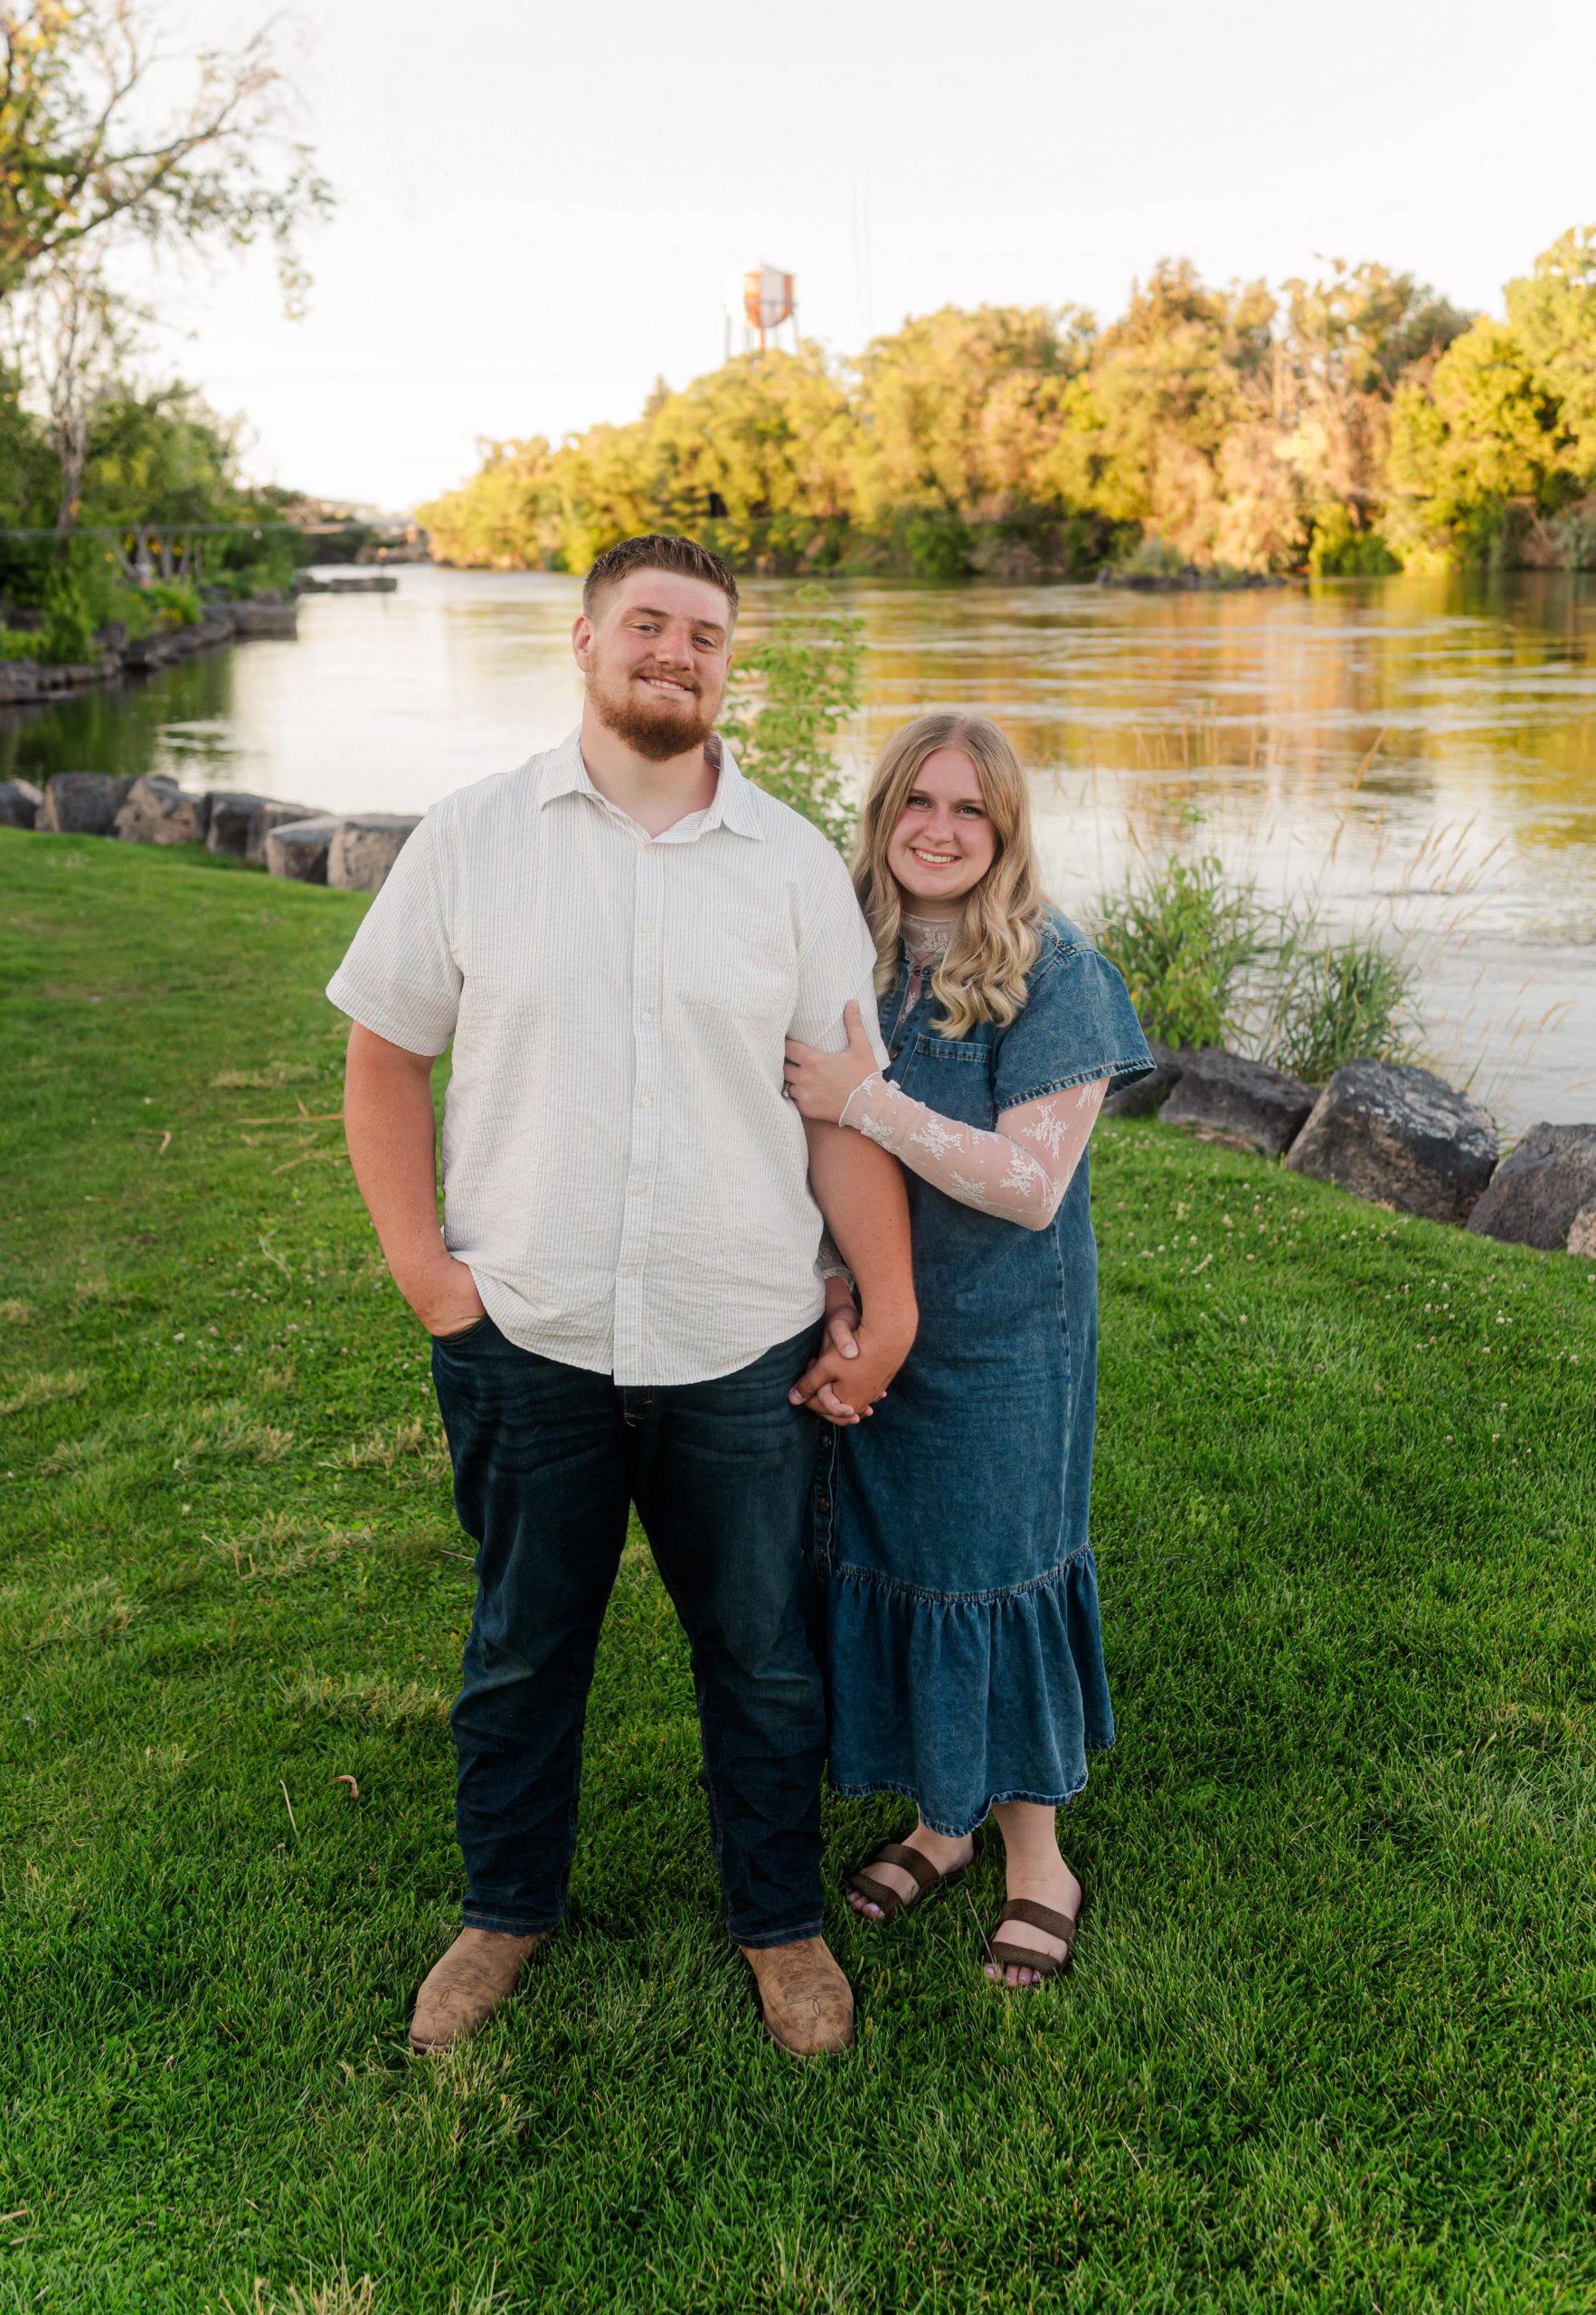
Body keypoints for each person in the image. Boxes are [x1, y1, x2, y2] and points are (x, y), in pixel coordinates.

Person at [329, 534, 917, 2058]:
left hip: (740, 1335)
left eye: (705, 635)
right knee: (524, 1648)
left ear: (729, 665)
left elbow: (842, 1106)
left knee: (763, 1656)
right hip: (528, 1331)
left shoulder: (791, 865)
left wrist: (890, 1301)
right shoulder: (473, 839)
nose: (676, 652)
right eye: (647, 623)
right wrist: (427, 1274)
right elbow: (386, 1054)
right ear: (585, 642)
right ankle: (504, 1910)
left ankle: (779, 1923)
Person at [783, 711, 1153, 1988]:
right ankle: (943, 1824)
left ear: (1005, 830)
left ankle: (1037, 1859)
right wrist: (837, 1283)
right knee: (903, 1561)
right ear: (883, 813)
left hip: (1008, 1337)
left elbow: (1031, 1187)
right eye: (917, 802)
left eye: (969, 810)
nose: (938, 831)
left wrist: (867, 1098)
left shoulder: (1056, 970)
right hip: (886, 1314)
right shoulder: (854, 951)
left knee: (994, 1577)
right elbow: (816, 1148)